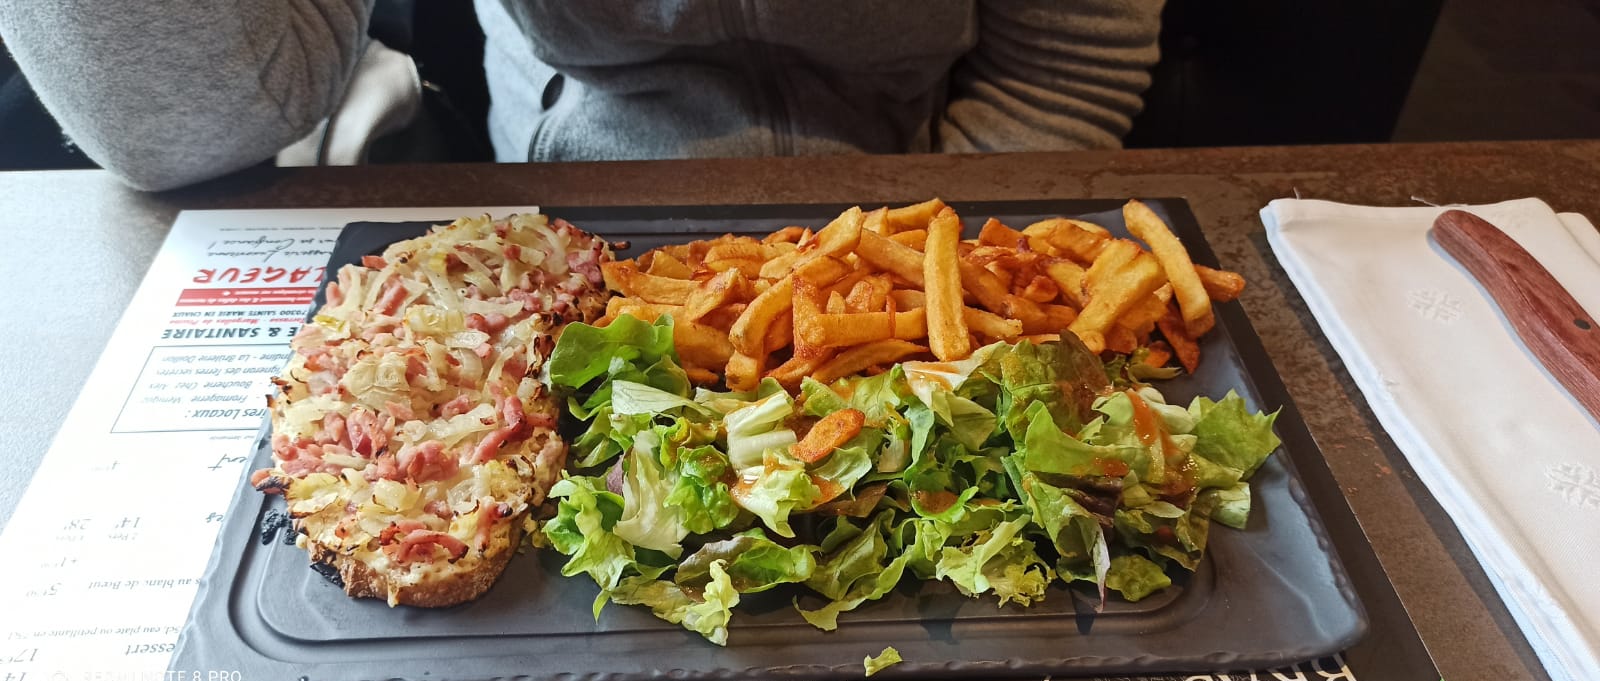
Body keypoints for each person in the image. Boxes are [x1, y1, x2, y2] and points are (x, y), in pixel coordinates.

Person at [0, 1, 1163, 192]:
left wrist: (926, 277)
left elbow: (1064, 65)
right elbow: (184, 120)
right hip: (552, 217)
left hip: (937, 194)